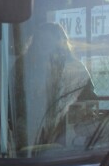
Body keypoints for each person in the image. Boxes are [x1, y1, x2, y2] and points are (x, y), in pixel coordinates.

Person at [13, 22, 93, 151]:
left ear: (61, 44)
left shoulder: (76, 70)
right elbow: (11, 104)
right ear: (35, 42)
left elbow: (89, 102)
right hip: (28, 139)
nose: (45, 47)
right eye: (41, 41)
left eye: (49, 42)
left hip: (68, 138)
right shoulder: (22, 67)